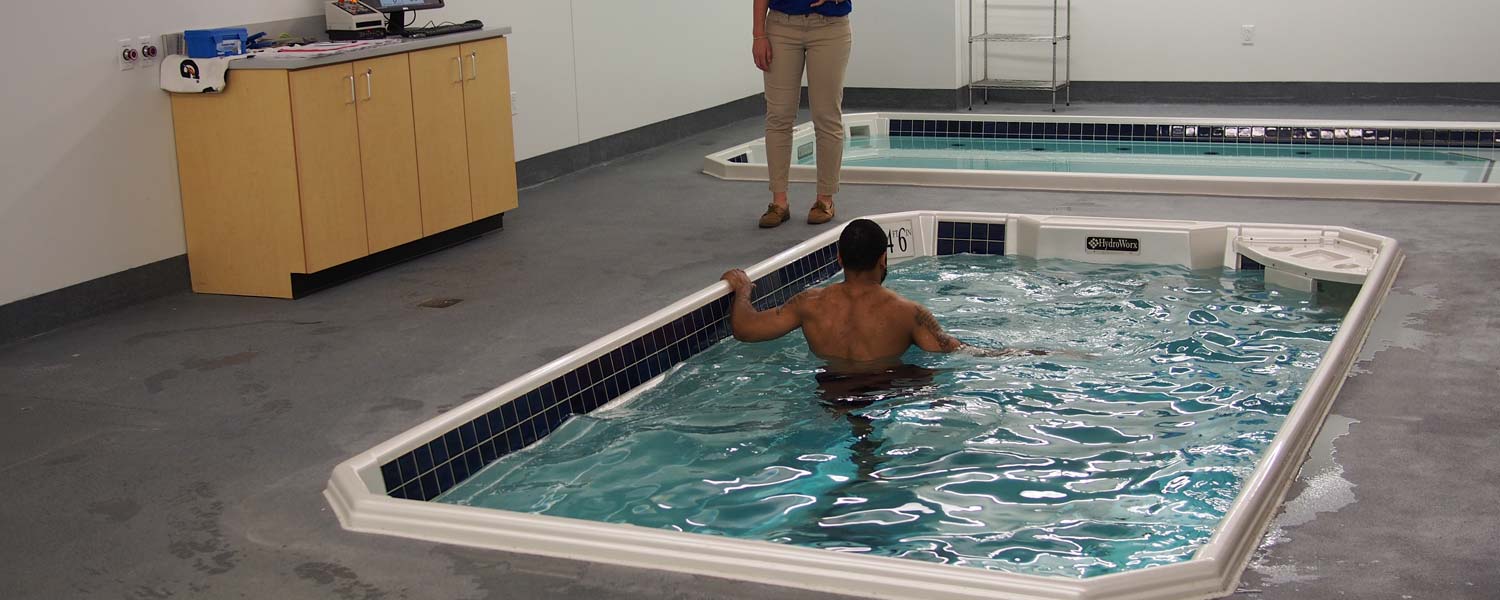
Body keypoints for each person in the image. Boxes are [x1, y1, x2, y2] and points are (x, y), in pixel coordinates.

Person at [721, 219, 1044, 376]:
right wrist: (1031, 352)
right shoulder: (907, 313)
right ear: (883, 260)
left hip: (831, 394)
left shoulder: (809, 304)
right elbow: (960, 351)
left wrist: (743, 290)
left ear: (839, 260)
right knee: (922, 379)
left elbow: (745, 329)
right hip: (887, 392)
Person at [752, 0, 853, 228]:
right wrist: (758, 35)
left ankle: (825, 199)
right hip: (780, 26)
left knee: (827, 116)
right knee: (778, 115)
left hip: (830, 27)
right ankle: (779, 202)